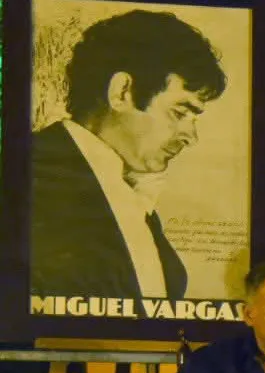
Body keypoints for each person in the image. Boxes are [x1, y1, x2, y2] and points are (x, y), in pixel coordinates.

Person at [31, 10, 226, 301]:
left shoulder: (128, 192)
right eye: (180, 112)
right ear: (121, 92)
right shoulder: (24, 173)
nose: (191, 137)